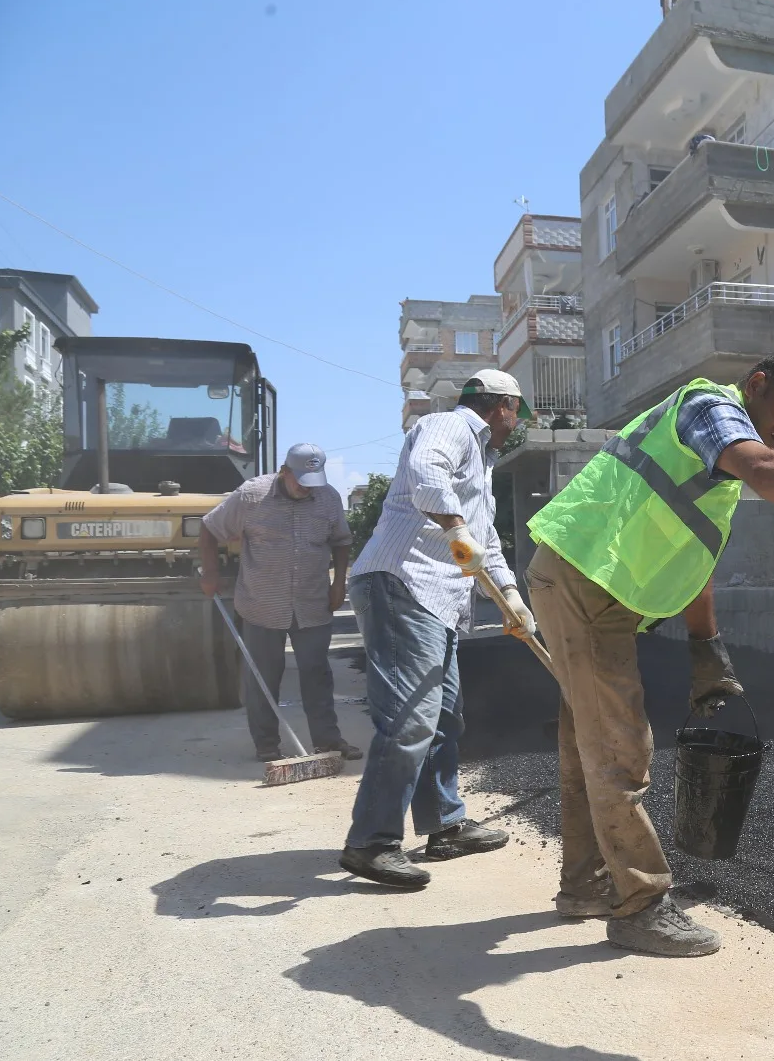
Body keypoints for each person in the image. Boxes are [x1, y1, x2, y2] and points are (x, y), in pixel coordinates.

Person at [526, 349, 774, 957]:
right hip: (583, 580)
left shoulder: (714, 470)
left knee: (586, 740)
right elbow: (761, 464)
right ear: (755, 385)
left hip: (590, 585)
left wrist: (707, 647)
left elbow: (694, 557)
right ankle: (641, 906)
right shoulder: (710, 410)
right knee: (621, 748)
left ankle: (586, 885)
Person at [339, 370, 537, 889]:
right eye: (516, 414)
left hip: (437, 598)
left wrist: (512, 599)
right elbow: (428, 473)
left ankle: (445, 826)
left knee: (445, 717)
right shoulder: (451, 426)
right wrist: (453, 527)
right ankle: (371, 843)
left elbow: (485, 542)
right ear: (501, 407)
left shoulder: (483, 465)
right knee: (410, 720)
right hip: (402, 582)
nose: (515, 426)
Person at [200, 443, 360, 763]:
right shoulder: (251, 495)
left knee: (316, 674)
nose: (306, 487)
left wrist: (339, 583)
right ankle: (267, 744)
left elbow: (341, 542)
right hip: (261, 603)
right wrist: (211, 573)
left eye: (312, 480)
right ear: (284, 472)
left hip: (313, 602)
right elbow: (209, 528)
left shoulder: (328, 498)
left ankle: (327, 741)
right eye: (300, 479)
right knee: (262, 676)